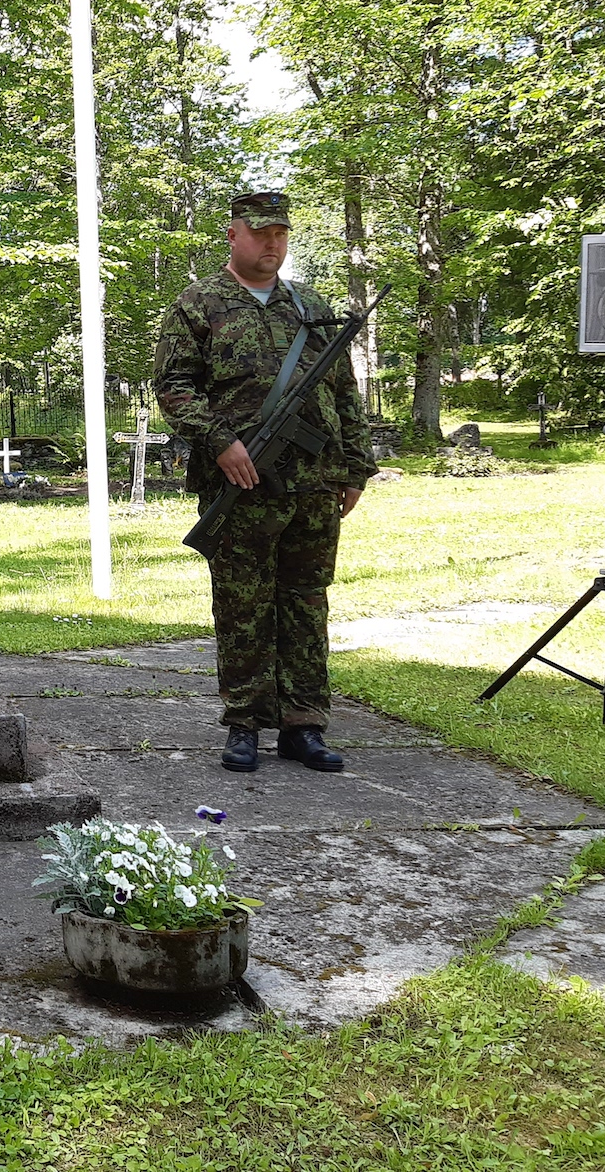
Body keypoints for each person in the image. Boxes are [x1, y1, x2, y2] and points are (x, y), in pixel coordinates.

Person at [153, 190, 377, 775]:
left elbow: (344, 391)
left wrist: (355, 467)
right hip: (243, 483)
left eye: (280, 233)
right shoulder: (198, 303)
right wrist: (220, 442)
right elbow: (175, 386)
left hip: (314, 483)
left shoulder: (310, 305)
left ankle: (305, 724)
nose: (272, 243)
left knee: (305, 603)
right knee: (243, 604)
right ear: (233, 235)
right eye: (260, 233)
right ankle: (245, 724)